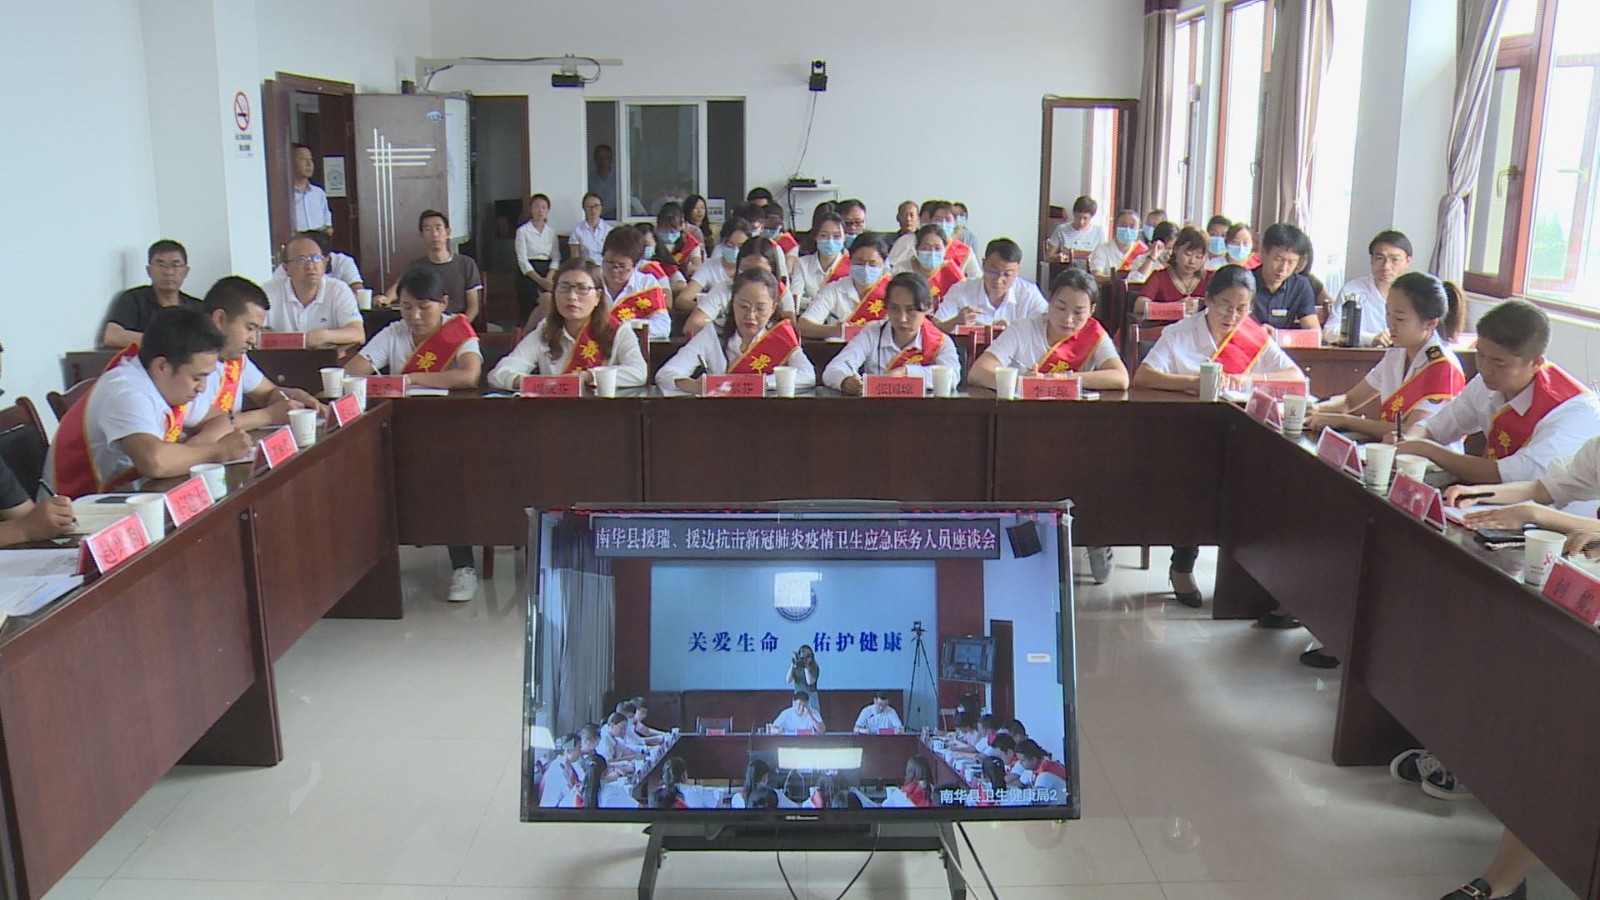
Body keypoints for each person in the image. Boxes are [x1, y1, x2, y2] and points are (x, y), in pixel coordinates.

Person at [1133, 266, 1302, 608]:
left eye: (1242, 308)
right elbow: (1144, 376)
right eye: (1225, 306)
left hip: (1243, 437)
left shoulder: (1253, 336)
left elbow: (1295, 377)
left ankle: (1249, 576)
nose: (1233, 316)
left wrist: (1249, 381)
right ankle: (1183, 565)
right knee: (1195, 482)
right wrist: (1192, 383)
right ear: (1208, 300)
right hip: (1189, 435)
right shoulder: (1180, 333)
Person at [345, 267, 483, 601]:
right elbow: (353, 372)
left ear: (444, 303)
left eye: (424, 307)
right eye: (407, 307)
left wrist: (414, 379)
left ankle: (463, 567)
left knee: (449, 485)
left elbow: (469, 376)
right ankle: (375, 565)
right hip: (398, 429)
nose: (415, 316)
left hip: (449, 431)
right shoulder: (394, 332)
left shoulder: (458, 332)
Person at [1396, 299, 1600, 492]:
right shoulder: (1488, 381)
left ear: (1536, 363)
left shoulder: (1575, 410)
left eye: (1499, 362)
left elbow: (1512, 475)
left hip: (1550, 512)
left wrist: (1426, 449)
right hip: (1495, 499)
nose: (1485, 368)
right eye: (1480, 354)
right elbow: (1437, 427)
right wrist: (1410, 438)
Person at [48, 307, 253, 496]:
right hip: (78, 506)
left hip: (132, 493)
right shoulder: (126, 392)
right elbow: (155, 462)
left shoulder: (169, 383)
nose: (202, 387)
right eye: (197, 378)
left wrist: (191, 449)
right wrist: (217, 451)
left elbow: (221, 419)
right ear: (161, 367)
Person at [1306, 273, 1466, 441]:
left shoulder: (1442, 367)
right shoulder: (1396, 353)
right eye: (1388, 313)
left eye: (1400, 318)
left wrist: (1346, 421)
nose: (1390, 324)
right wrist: (1315, 409)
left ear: (1430, 323)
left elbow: (1411, 432)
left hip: (1426, 455)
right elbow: (1350, 400)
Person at [185, 276, 322, 433]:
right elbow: (208, 425)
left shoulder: (235, 358)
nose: (253, 340)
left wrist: (293, 396)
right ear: (220, 319)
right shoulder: (187, 362)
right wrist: (268, 416)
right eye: (250, 328)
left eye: (257, 330)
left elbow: (268, 393)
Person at [489, 259, 649, 392]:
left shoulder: (618, 331)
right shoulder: (546, 330)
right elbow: (498, 374)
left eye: (582, 288)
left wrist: (587, 377)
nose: (572, 296)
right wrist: (539, 384)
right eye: (564, 287)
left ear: (598, 296)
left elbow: (638, 372)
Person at [970, 268, 1130, 392]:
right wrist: (1022, 382)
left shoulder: (1094, 334)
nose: (1068, 319)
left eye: (1078, 312)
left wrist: (1065, 378)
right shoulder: (1022, 329)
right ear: (1049, 299)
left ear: (1091, 310)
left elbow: (1121, 378)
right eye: (1061, 308)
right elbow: (978, 372)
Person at [823, 271, 960, 395]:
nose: (902, 318)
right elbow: (832, 370)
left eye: (910, 310)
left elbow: (952, 376)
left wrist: (906, 372)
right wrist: (846, 382)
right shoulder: (872, 333)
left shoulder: (940, 342)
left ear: (929, 307)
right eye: (894, 309)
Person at [376, 211, 483, 324]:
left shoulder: (466, 263)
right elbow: (399, 287)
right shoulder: (417, 266)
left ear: (448, 233)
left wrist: (458, 328)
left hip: (457, 322)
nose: (434, 234)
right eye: (427, 229)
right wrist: (385, 299)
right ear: (421, 235)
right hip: (426, 324)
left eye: (438, 228)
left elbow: (473, 308)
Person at [264, 232, 365, 348]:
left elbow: (358, 334)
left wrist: (325, 336)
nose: (310, 266)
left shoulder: (339, 290)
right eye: (301, 260)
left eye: (316, 258)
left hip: (325, 358)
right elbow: (255, 332)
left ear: (324, 263)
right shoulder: (269, 291)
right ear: (286, 268)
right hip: (279, 357)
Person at [100, 240, 203, 349]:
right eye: (160, 265)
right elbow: (112, 336)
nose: (168, 272)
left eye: (175, 265)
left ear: (186, 271)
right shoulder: (134, 299)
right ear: (149, 270)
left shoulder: (197, 307)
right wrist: (167, 343)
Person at [933, 238, 1048, 333]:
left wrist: (1014, 331)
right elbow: (936, 326)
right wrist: (955, 321)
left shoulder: (1029, 293)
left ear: (1018, 270)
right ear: (983, 264)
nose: (999, 280)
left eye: (1007, 274)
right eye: (993, 272)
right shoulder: (961, 290)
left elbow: (1048, 325)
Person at [682, 236, 790, 337]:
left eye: (760, 271)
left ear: (773, 272)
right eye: (746, 269)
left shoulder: (781, 292)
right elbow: (692, 326)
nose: (753, 276)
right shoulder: (724, 288)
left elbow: (790, 330)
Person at [1322, 230, 1413, 347]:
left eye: (1394, 260)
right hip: (1360, 355)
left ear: (1408, 261)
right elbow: (1330, 332)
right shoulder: (1352, 290)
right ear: (1371, 259)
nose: (1386, 266)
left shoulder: (1416, 294)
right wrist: (1371, 339)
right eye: (1380, 258)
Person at [797, 232, 893, 339]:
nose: (866, 268)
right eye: (859, 263)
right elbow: (803, 326)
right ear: (850, 261)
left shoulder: (893, 292)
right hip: (839, 348)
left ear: (883, 264)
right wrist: (836, 331)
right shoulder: (834, 289)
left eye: (872, 264)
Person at [1134, 226, 1209, 334]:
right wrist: (1176, 307)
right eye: (1187, 254)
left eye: (1198, 257)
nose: (1192, 261)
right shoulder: (1159, 277)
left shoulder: (1210, 278)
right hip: (1163, 334)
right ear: (1176, 250)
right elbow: (1139, 306)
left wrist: (1202, 304)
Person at [675, 217, 753, 312]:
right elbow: (682, 300)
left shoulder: (754, 268)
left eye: (741, 247)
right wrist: (708, 309)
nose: (735, 250)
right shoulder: (710, 266)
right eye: (730, 245)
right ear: (722, 243)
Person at [1250, 223, 1318, 332]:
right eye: (1278, 259)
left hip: (1283, 342)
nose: (1283, 268)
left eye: (1291, 262)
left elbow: (1313, 331)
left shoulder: (1300, 286)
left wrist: (1278, 335)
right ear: (1263, 252)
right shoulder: (1244, 283)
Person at [791, 211, 850, 311]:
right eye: (823, 235)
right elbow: (796, 298)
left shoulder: (851, 266)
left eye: (836, 236)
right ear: (815, 236)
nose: (830, 241)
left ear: (845, 238)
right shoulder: (802, 263)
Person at [514, 193, 557, 325]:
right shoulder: (522, 231)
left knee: (550, 304)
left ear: (548, 211)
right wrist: (540, 281)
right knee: (529, 306)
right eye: (536, 207)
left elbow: (556, 257)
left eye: (544, 208)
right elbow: (522, 260)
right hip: (529, 273)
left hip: (548, 272)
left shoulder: (551, 232)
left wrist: (548, 279)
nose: (540, 211)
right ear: (530, 210)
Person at [895, 225, 967, 302]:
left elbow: (964, 300)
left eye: (937, 248)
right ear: (916, 249)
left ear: (945, 249)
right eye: (925, 248)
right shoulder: (901, 271)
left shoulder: (951, 272)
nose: (932, 253)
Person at [1089, 209, 1147, 281]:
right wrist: (1118, 280)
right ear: (1115, 227)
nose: (1127, 229)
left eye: (1132, 227)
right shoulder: (1102, 249)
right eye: (1123, 225)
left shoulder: (1143, 251)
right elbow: (1097, 276)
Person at [653, 202, 702, 287]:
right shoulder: (651, 241)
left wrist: (685, 268)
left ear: (682, 225)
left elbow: (697, 267)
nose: (668, 234)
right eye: (664, 229)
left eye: (672, 230)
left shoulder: (690, 243)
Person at [1044, 195, 1101, 262]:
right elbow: (1048, 256)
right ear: (1074, 214)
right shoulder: (1061, 230)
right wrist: (1057, 257)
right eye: (1078, 217)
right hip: (1067, 267)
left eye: (1085, 218)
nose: (1081, 222)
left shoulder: (1098, 231)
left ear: (1091, 217)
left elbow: (1103, 257)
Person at [291, 143, 332, 234]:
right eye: (302, 159)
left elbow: (327, 221)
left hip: (318, 239)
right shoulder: (285, 194)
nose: (309, 164)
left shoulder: (318, 193)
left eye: (310, 159)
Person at [538, 733, 582, 807]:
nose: (580, 752)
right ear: (568, 750)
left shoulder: (571, 765)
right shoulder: (556, 768)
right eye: (579, 748)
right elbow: (564, 792)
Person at [570, 192, 612, 265]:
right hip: (586, 267)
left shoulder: (609, 230)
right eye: (589, 207)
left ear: (601, 207)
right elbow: (575, 259)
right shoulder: (577, 230)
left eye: (596, 206)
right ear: (584, 209)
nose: (593, 210)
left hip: (605, 267)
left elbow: (612, 256)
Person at [588, 144, 618, 218]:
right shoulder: (588, 180)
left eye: (606, 158)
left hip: (616, 219)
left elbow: (628, 202)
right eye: (599, 158)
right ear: (594, 160)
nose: (602, 161)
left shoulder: (619, 180)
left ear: (611, 160)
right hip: (595, 218)